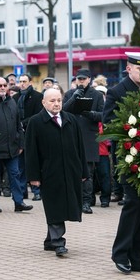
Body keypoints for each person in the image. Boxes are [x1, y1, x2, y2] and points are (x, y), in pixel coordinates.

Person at [103, 52, 140, 274]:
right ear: (128, 69)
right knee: (133, 204)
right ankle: (121, 254)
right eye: (139, 70)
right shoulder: (117, 91)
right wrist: (133, 132)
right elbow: (108, 123)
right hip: (130, 158)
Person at [25, 88, 89, 257]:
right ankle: (58, 242)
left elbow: (80, 147)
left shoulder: (70, 119)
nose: (56, 104)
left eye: (59, 100)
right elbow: (31, 151)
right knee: (54, 206)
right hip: (49, 172)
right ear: (44, 103)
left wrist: (83, 170)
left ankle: (49, 240)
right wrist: (33, 176)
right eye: (52, 101)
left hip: (70, 170)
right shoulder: (36, 122)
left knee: (64, 205)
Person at [0, 76, 33, 213]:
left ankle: (19, 202)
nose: (3, 88)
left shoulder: (12, 102)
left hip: (12, 148)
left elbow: (18, 125)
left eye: (4, 85)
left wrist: (21, 144)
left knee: (15, 175)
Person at [63, 68, 104, 214]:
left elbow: (103, 115)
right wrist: (74, 97)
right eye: (78, 79)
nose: (81, 81)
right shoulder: (69, 94)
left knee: (88, 173)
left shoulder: (97, 95)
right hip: (71, 137)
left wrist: (90, 114)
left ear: (89, 80)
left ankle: (86, 202)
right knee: (71, 171)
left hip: (88, 138)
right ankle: (74, 201)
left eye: (84, 79)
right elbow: (62, 111)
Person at [15, 73, 43, 201]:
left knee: (34, 162)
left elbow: (38, 114)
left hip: (34, 133)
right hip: (20, 135)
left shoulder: (38, 97)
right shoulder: (15, 97)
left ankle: (36, 191)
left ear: (30, 82)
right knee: (20, 165)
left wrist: (23, 122)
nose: (22, 84)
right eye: (20, 81)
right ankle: (22, 191)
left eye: (24, 81)